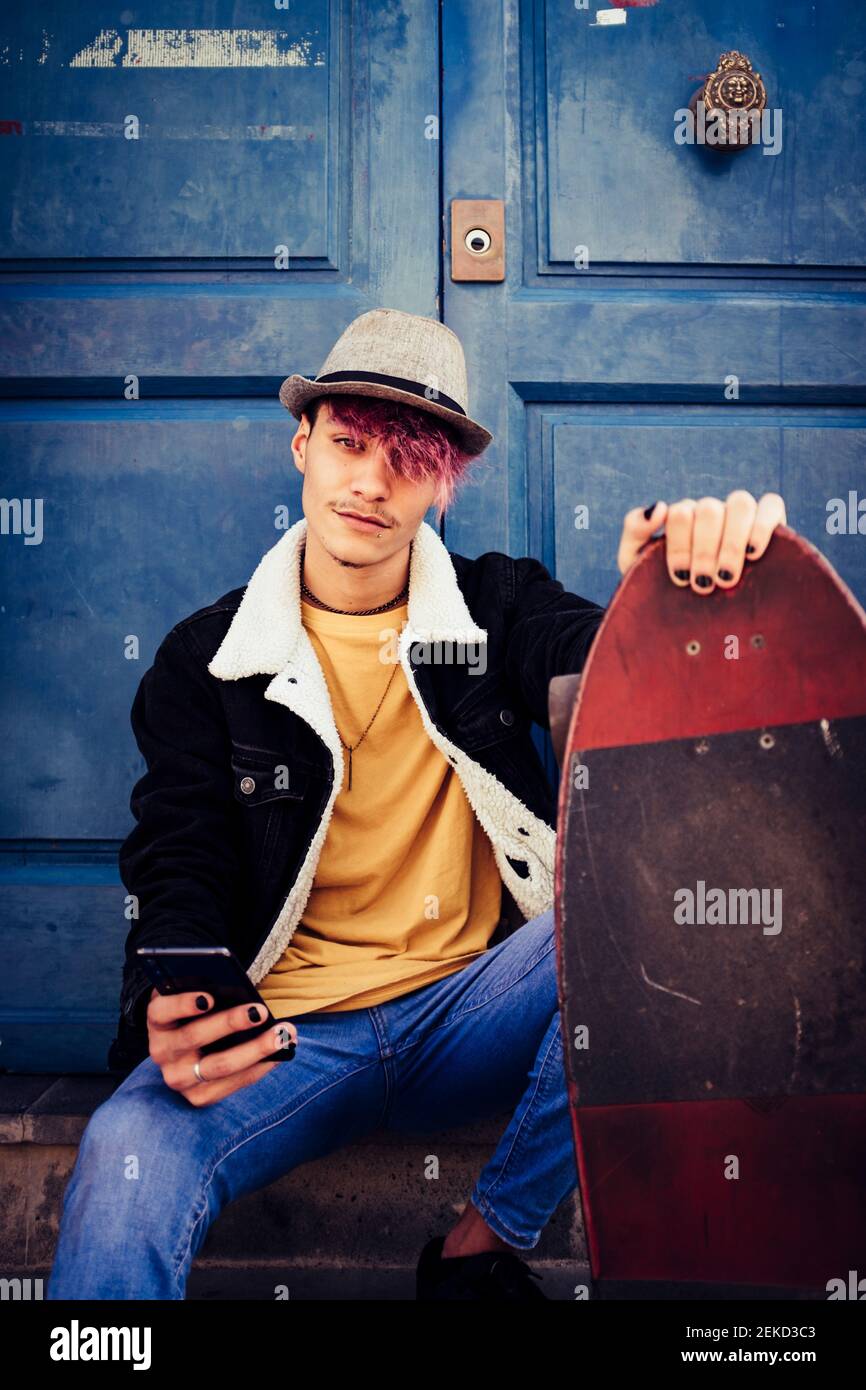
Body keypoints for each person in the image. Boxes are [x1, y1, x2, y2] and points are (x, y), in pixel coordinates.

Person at [46, 308, 786, 1301]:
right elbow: (178, 854)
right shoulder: (204, 659)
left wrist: (668, 602)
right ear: (300, 444)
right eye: (347, 444)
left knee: (657, 897)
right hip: (285, 1038)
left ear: (443, 482)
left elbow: (609, 688)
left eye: (407, 458)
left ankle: (482, 1247)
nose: (369, 482)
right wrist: (170, 1007)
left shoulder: (493, 606)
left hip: (467, 1014)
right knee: (124, 1149)